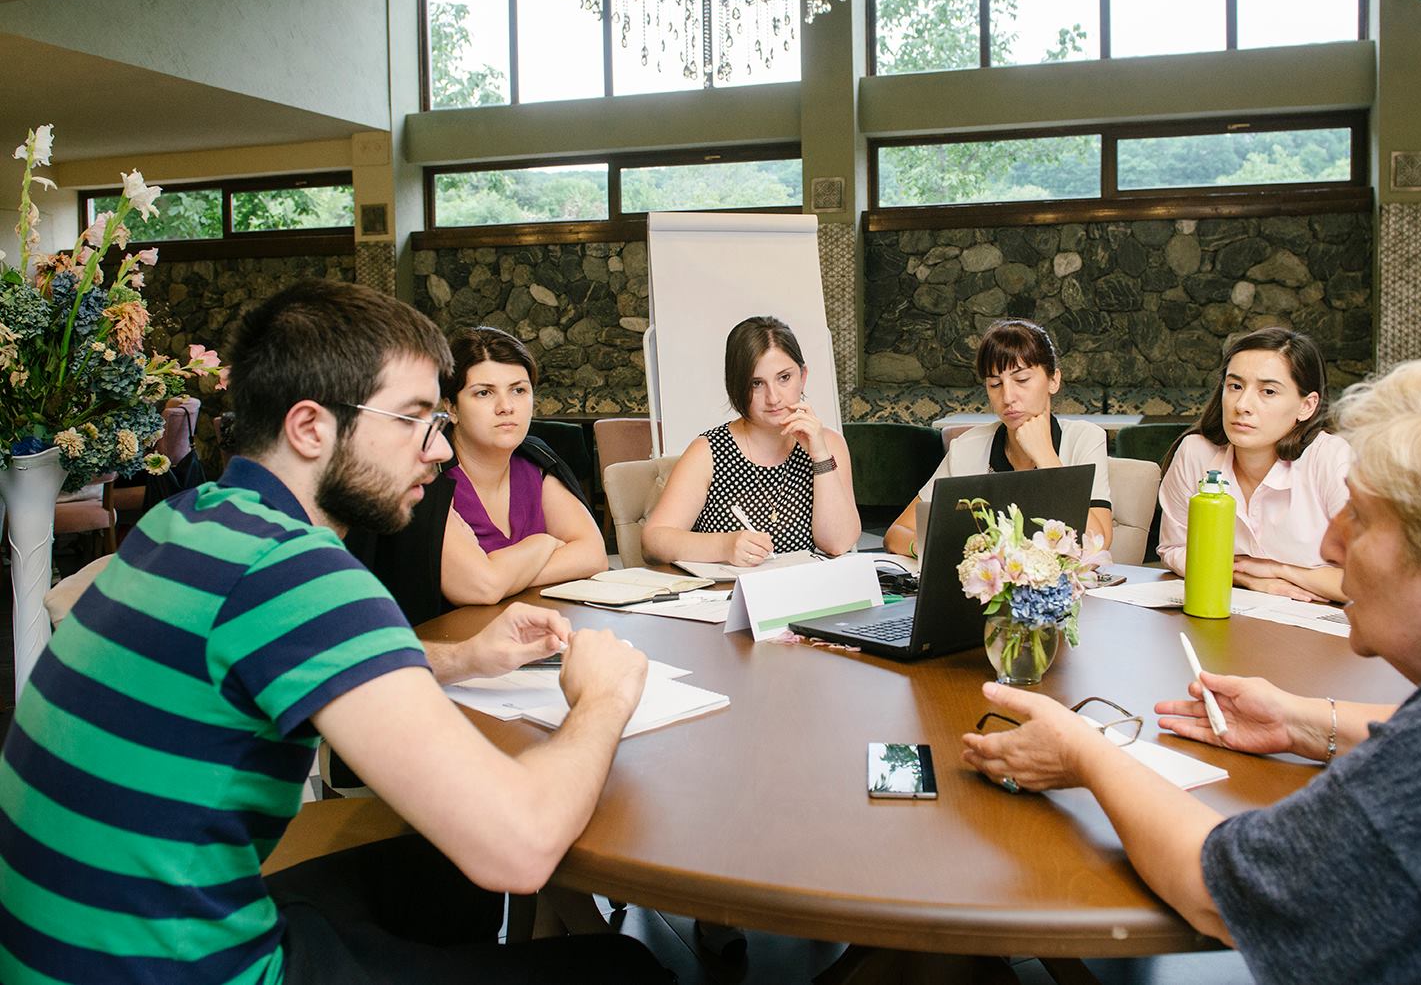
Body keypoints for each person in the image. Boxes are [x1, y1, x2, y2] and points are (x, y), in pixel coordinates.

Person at [0, 280, 671, 985]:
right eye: (414, 419)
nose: (440, 452)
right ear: (311, 427)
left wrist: (466, 657)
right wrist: (603, 698)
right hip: (176, 971)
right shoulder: (299, 571)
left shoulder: (190, 520)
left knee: (448, 875)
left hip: (64, 949)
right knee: (622, 968)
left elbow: (278, 654)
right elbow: (522, 847)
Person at [962, 352, 1421, 984]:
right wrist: (1304, 722)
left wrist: (1083, 751)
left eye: (1362, 518)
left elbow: (1218, 888)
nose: (1330, 543)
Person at [883, 319, 1113, 557]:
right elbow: (896, 534)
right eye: (995, 384)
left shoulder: (1084, 439)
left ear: (1053, 380)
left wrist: (1046, 456)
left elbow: (1097, 544)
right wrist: (932, 550)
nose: (1008, 397)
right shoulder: (968, 447)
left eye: (1022, 380)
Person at [643, 315, 859, 566]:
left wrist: (820, 457)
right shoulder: (708, 451)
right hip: (730, 589)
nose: (773, 397)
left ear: (803, 376)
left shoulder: (829, 444)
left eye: (784, 378)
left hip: (805, 589)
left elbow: (837, 543)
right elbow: (653, 541)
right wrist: (723, 547)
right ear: (736, 386)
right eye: (757, 384)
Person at [1157, 327, 1351, 602]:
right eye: (1235, 386)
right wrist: (1245, 577)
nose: (1242, 405)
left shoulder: (1331, 459)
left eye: (1268, 391)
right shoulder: (1196, 452)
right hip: (1228, 611)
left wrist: (1278, 570)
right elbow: (1174, 548)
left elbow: (1374, 581)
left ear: (1306, 406)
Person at [437, 326, 606, 606]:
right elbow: (479, 587)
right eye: (484, 393)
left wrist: (501, 574)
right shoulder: (431, 474)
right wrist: (543, 543)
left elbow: (593, 555)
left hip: (535, 621)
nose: (506, 406)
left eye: (518, 390)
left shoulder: (535, 461)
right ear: (451, 408)